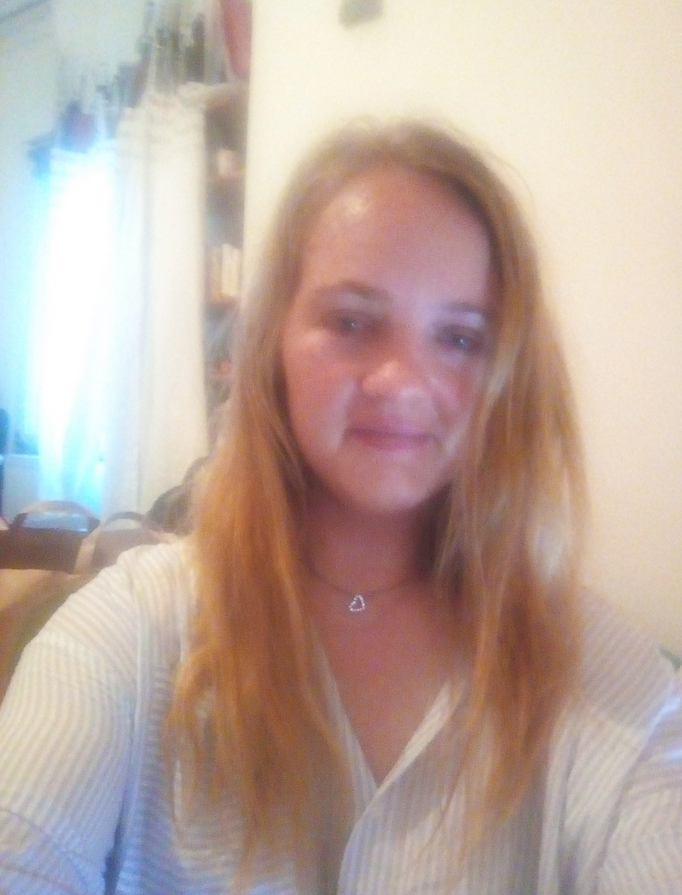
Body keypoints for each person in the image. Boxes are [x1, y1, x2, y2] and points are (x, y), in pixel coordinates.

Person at [0, 120, 680, 894]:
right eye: (352, 322)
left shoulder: (610, 682)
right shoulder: (130, 632)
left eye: (460, 338)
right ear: (272, 344)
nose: (402, 381)